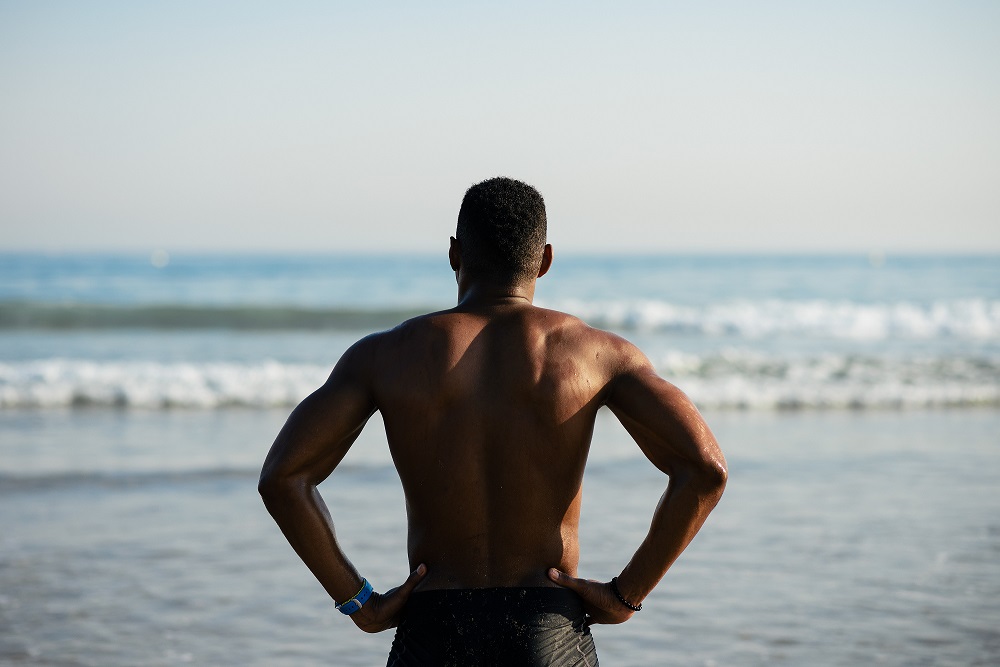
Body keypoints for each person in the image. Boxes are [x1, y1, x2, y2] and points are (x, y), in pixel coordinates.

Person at [259, 177, 727, 666]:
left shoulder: (385, 355)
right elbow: (705, 469)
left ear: (455, 254)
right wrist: (626, 595)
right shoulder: (598, 355)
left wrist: (361, 603)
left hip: (432, 628)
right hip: (548, 627)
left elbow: (284, 478)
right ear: (545, 260)